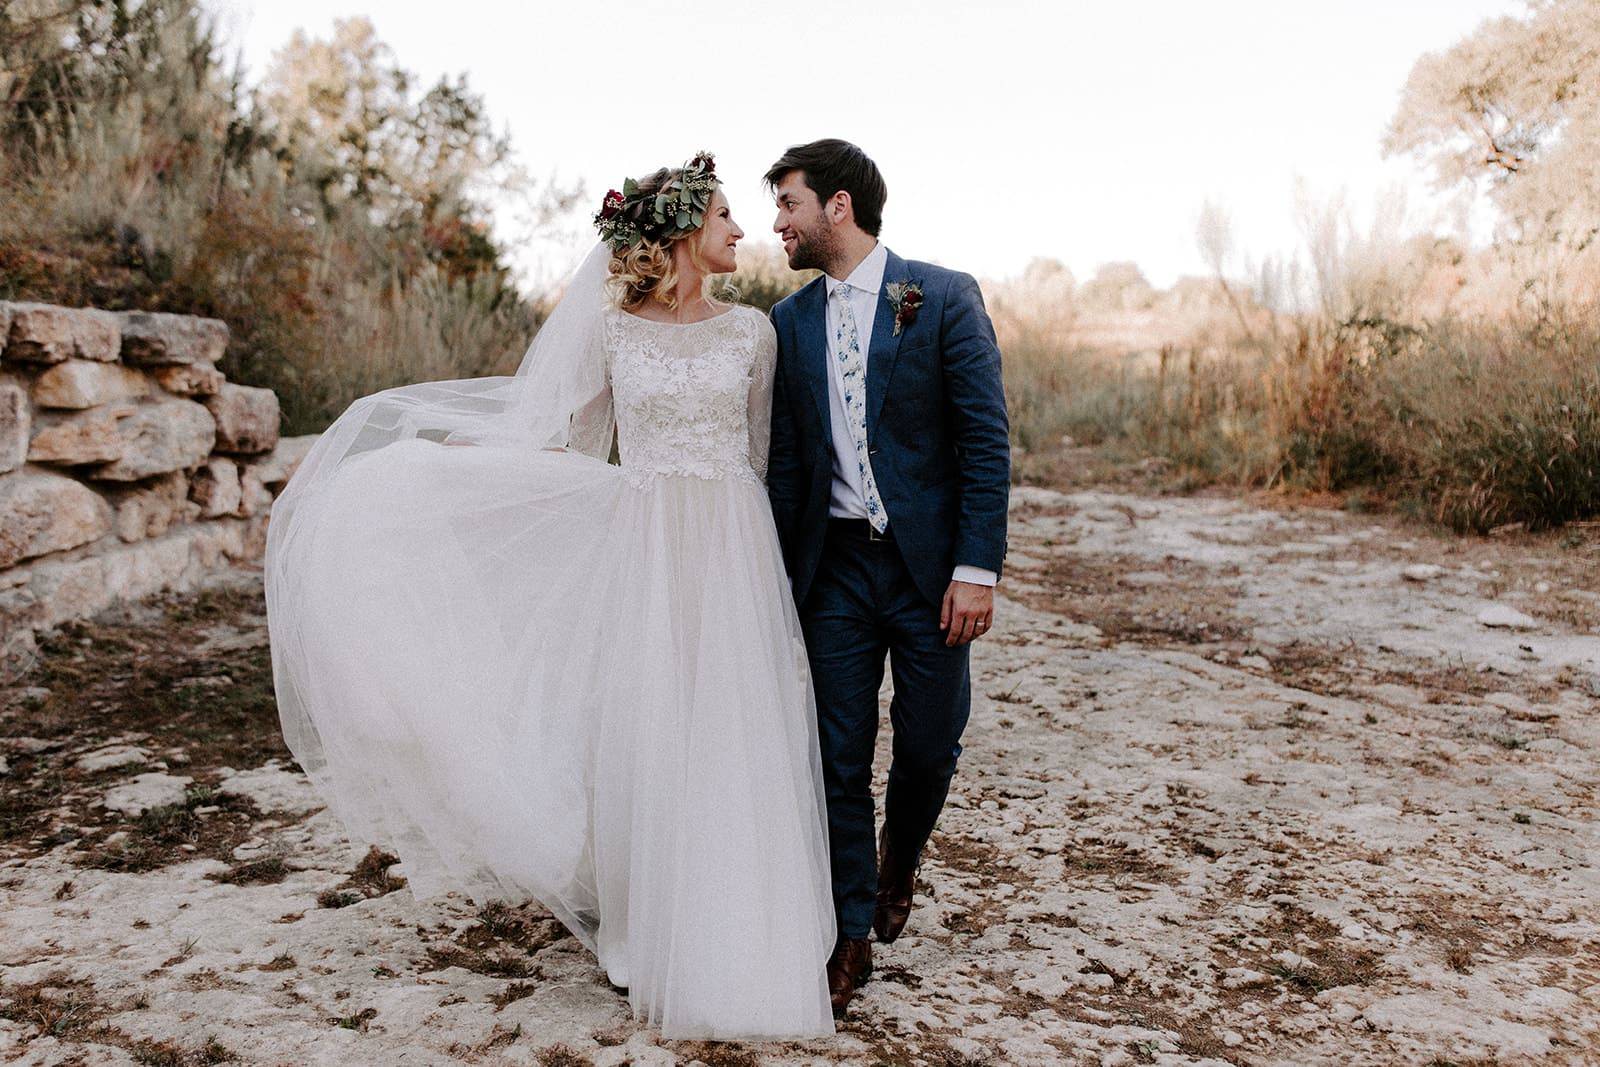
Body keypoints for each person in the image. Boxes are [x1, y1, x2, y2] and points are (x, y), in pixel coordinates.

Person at [264, 152, 836, 1041]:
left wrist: (757, 556)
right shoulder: (615, 334)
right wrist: (449, 468)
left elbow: (760, 456)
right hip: (643, 544)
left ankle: (743, 919)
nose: (740, 229)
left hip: (732, 547)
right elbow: (564, 443)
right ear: (685, 229)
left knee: (731, 718)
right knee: (652, 720)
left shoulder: (752, 333)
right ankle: (650, 924)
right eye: (725, 215)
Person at [763, 140, 1011, 1014]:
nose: (777, 224)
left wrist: (976, 568)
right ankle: (850, 933)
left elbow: (984, 439)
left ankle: (899, 856)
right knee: (834, 756)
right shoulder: (786, 325)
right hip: (833, 572)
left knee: (931, 741)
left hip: (930, 572)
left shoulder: (940, 297)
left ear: (837, 206)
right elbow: (786, 467)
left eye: (787, 204)